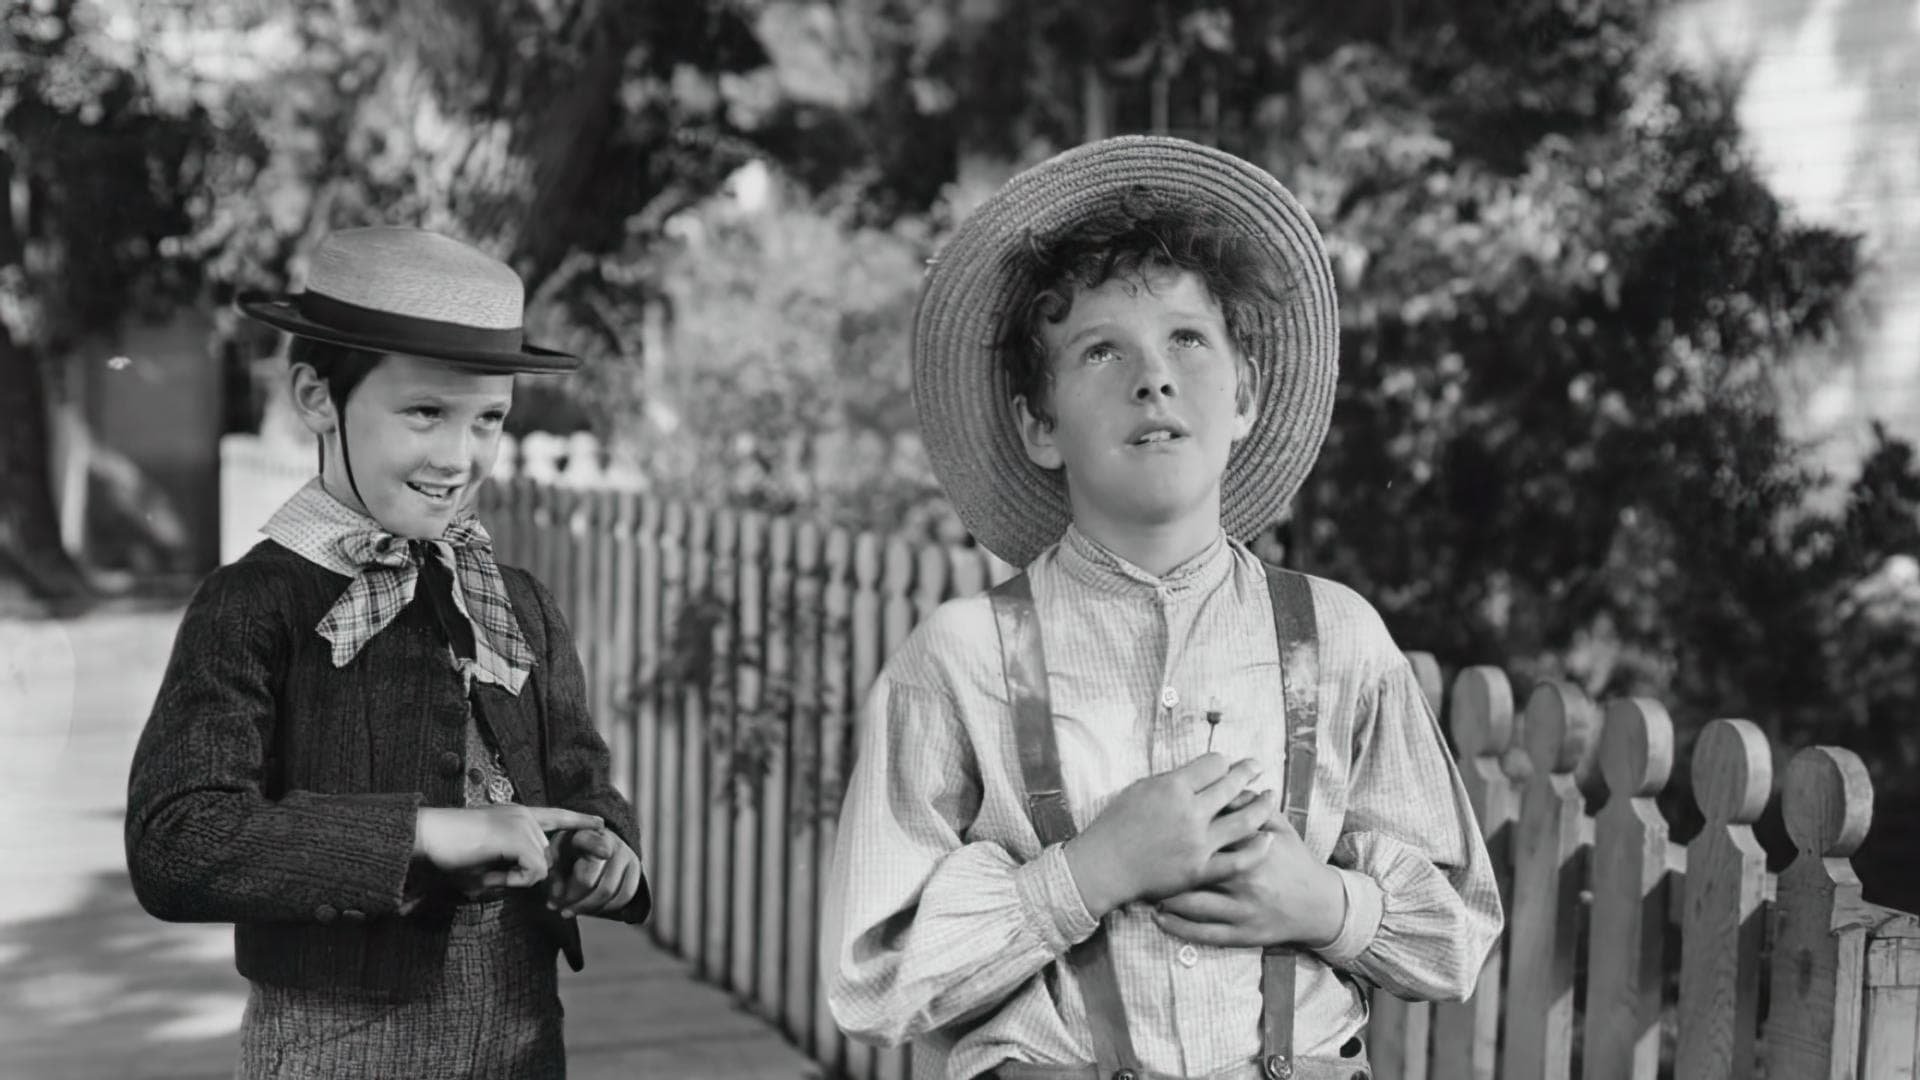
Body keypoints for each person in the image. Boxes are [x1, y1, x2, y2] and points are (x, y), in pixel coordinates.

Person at [821, 136, 1502, 1080]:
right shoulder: (960, 656)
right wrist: (1091, 871)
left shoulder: (1338, 637)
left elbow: (1459, 930)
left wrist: (1328, 908)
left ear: (1247, 395)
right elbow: (873, 977)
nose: (1155, 376)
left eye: (1188, 337)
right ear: (1040, 424)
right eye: (1101, 350)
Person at [126, 227, 649, 1079]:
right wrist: (425, 835)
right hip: (340, 1048)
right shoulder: (255, 604)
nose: (459, 456)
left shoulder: (515, 601)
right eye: (424, 413)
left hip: (522, 1034)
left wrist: (606, 848)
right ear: (316, 396)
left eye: (488, 420)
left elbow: (582, 775)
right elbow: (177, 842)